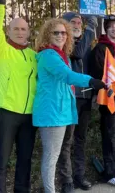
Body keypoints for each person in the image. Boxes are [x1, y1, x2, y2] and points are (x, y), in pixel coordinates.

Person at [32, 18, 106, 193]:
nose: (60, 36)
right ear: (47, 35)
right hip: (52, 113)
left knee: (55, 155)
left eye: (63, 32)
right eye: (55, 32)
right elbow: (67, 76)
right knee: (51, 158)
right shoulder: (48, 55)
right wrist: (91, 80)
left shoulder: (59, 54)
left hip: (61, 111)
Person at [0, 0, 38, 193]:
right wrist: (0, 3)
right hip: (7, 111)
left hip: (29, 115)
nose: (19, 32)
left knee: (25, 160)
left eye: (23, 29)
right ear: (9, 31)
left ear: (28, 33)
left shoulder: (34, 56)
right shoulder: (2, 49)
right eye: (15, 28)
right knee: (1, 160)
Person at [89, 14, 115, 187]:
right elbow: (98, 74)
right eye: (111, 26)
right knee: (111, 134)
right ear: (106, 29)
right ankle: (111, 172)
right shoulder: (100, 48)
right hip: (109, 99)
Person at [57, 12, 98, 193]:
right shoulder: (65, 43)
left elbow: (92, 68)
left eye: (79, 22)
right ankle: (66, 180)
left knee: (80, 138)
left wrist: (95, 92)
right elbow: (78, 53)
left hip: (86, 97)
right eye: (72, 22)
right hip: (70, 98)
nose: (76, 25)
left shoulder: (86, 41)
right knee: (67, 141)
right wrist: (91, 28)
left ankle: (79, 175)